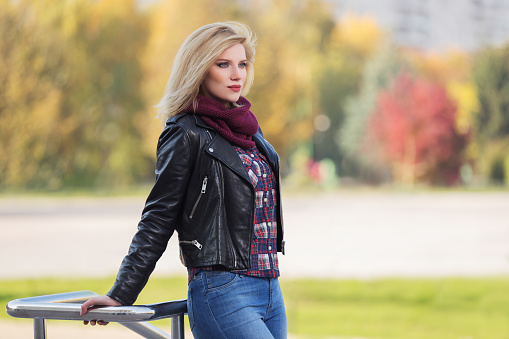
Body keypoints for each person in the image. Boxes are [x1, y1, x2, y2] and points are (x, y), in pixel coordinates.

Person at [80, 21, 287, 339]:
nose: (237, 74)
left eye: (242, 64)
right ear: (200, 69)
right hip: (224, 290)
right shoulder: (185, 133)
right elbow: (158, 217)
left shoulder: (249, 130)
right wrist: (122, 292)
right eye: (223, 64)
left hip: (271, 288)